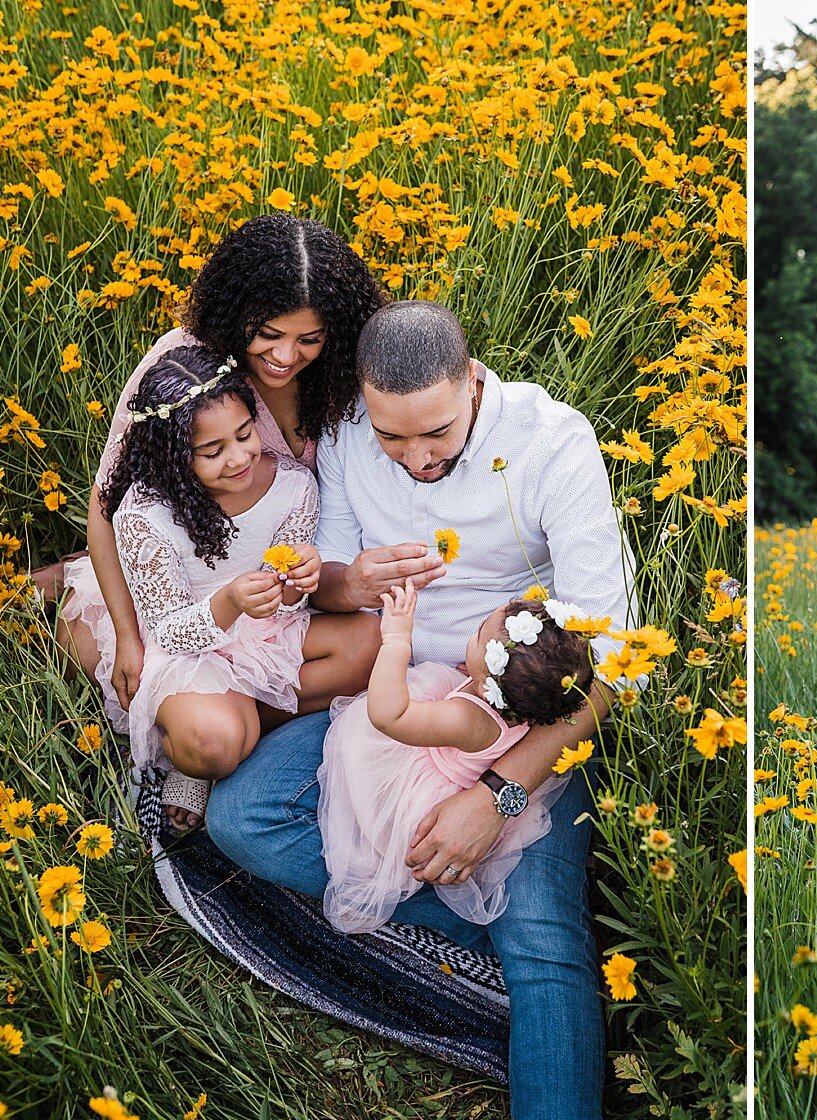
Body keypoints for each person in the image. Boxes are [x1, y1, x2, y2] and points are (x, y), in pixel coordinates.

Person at [207, 300, 632, 1120]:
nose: (415, 457)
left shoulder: (554, 441)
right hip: (397, 701)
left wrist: (495, 797)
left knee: (546, 950)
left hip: (517, 716)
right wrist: (349, 579)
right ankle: (484, 922)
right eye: (391, 436)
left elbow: (606, 662)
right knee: (243, 818)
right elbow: (325, 576)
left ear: (473, 382)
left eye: (435, 432)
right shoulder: (344, 433)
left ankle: (526, 943)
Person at [55, 214, 387, 748]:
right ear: (237, 313)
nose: (285, 357)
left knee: (365, 651)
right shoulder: (184, 366)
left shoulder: (345, 373)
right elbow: (108, 505)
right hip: (176, 591)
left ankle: (234, 726)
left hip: (271, 597)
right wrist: (125, 634)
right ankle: (213, 730)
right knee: (118, 660)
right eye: (269, 334)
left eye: (310, 339)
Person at [94, 344, 379, 822]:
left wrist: (298, 581)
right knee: (215, 744)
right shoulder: (145, 514)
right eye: (212, 451)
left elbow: (286, 599)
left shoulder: (291, 485)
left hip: (267, 637)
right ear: (174, 458)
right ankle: (196, 758)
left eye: (245, 434)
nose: (239, 458)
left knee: (369, 640)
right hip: (191, 647)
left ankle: (244, 718)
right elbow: (168, 632)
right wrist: (228, 602)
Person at [319, 582, 594, 935]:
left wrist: (396, 641)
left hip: (422, 795)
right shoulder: (523, 705)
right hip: (474, 737)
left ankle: (435, 915)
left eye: (478, 634)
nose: (473, 631)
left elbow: (390, 716)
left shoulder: (468, 719)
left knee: (355, 790)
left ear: (488, 683)